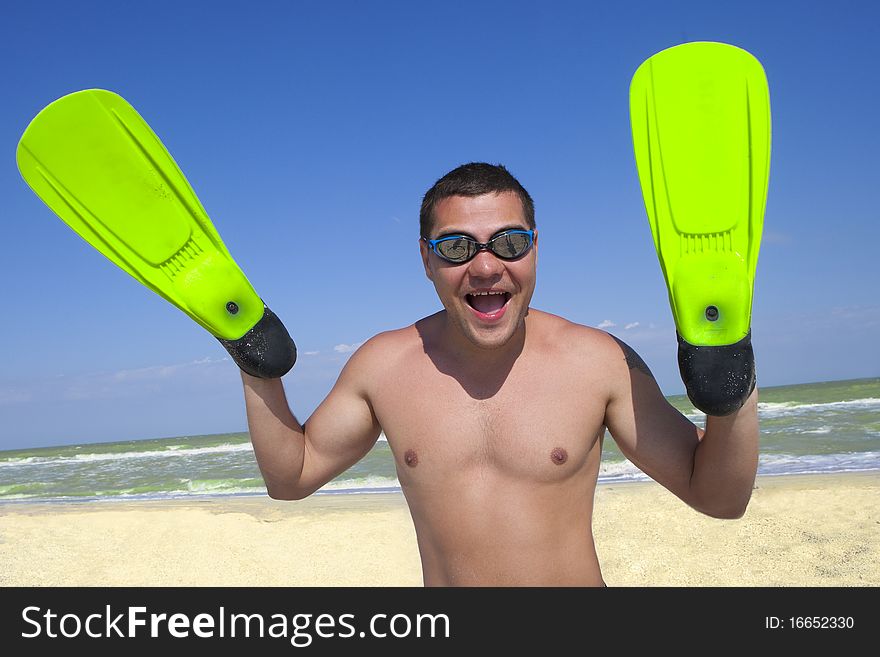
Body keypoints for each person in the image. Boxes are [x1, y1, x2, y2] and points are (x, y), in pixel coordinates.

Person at [240, 162, 759, 586]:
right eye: (456, 246)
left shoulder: (597, 361)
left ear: (535, 247)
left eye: (509, 242)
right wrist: (252, 358)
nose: (486, 267)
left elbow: (719, 497)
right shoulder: (384, 366)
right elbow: (292, 477)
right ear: (426, 259)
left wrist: (734, 377)